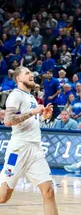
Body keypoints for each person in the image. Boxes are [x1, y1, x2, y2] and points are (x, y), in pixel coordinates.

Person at [0, 66, 57, 215]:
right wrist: (33, 112)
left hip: (35, 150)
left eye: (31, 73)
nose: (31, 75)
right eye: (27, 73)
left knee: (49, 191)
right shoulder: (15, 95)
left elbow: (31, 120)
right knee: (4, 196)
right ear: (19, 78)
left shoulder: (31, 97)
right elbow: (8, 121)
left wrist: (44, 116)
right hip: (18, 149)